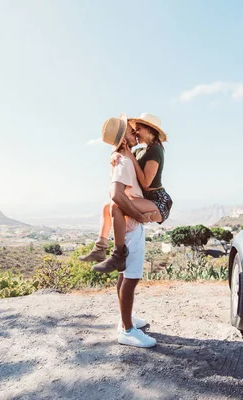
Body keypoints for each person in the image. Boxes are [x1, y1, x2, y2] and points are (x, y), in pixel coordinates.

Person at [80, 113, 172, 274]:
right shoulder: (141, 151)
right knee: (105, 207)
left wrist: (129, 155)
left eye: (139, 128)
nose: (136, 132)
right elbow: (126, 156)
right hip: (146, 199)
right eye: (134, 130)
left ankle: (118, 256)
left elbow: (145, 183)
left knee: (117, 206)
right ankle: (100, 247)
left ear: (150, 130)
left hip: (158, 202)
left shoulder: (156, 151)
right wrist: (115, 154)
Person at [94, 114, 156, 347]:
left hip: (129, 225)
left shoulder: (121, 158)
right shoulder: (122, 161)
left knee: (124, 275)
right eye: (130, 132)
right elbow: (116, 194)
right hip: (132, 226)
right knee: (131, 278)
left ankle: (125, 320)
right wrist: (139, 215)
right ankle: (128, 330)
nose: (134, 133)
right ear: (123, 140)